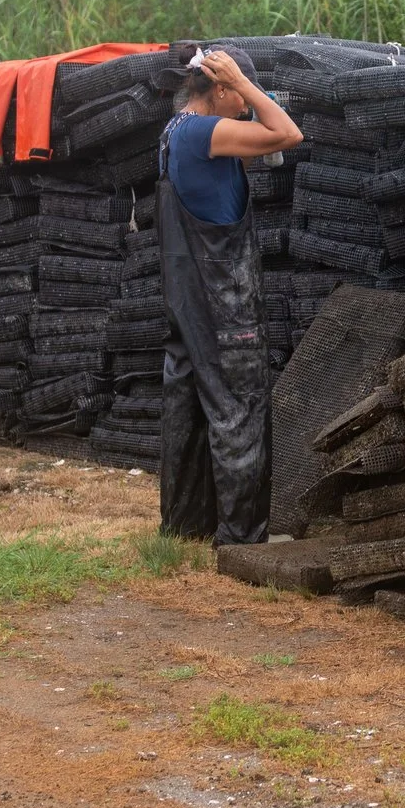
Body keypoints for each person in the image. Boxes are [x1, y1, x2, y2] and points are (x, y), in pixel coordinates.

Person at [156, 45, 303, 545]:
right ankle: (243, 537)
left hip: (187, 297)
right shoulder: (203, 132)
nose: (242, 104)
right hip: (224, 299)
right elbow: (287, 133)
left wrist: (243, 88)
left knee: (189, 407)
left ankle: (184, 525)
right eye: (235, 92)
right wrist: (246, 84)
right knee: (238, 406)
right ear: (219, 88)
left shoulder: (176, 130)